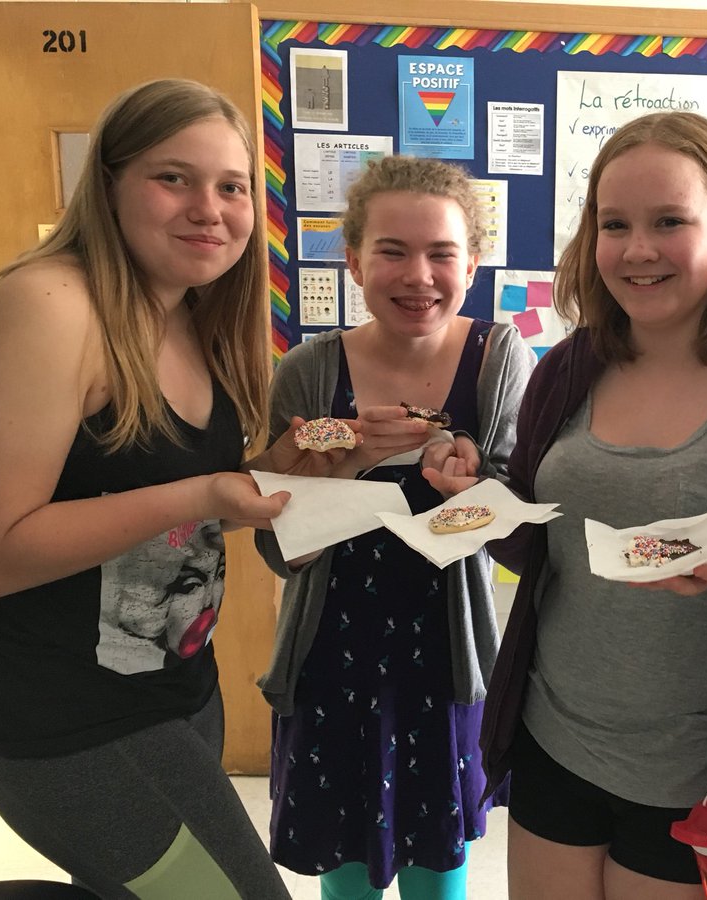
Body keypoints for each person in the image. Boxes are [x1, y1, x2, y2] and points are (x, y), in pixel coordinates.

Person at [0, 79, 295, 897]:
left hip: (178, 695)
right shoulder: (48, 304)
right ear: (107, 185)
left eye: (232, 186)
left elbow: (165, 503)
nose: (210, 208)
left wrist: (286, 474)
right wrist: (208, 493)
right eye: (174, 177)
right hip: (68, 725)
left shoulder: (188, 312)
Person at [476, 111, 707, 900]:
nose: (637, 250)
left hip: (698, 776)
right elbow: (541, 544)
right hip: (555, 740)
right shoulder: (568, 369)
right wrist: (483, 504)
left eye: (671, 222)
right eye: (615, 224)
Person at [252, 154, 536, 899]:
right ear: (353, 261)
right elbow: (276, 538)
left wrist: (466, 490)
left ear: (471, 264)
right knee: (343, 860)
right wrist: (339, 457)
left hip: (444, 659)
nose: (419, 275)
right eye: (392, 251)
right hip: (331, 657)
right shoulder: (309, 374)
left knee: (439, 860)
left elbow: (511, 521)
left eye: (442, 253)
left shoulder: (495, 358)